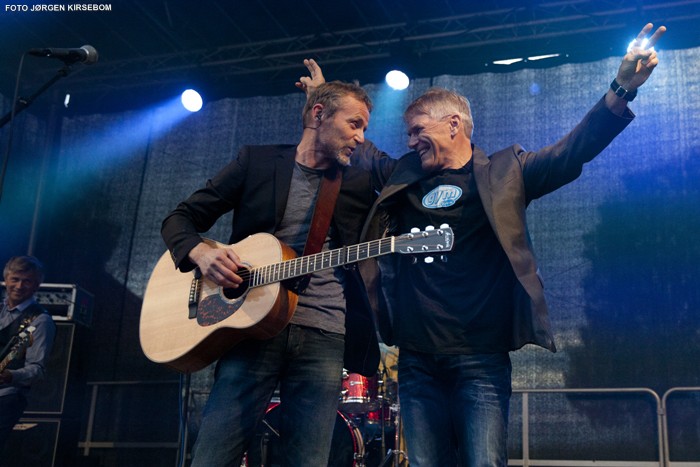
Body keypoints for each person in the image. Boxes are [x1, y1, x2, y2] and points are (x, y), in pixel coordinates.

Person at [303, 22, 666, 467]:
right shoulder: (404, 174)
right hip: (417, 360)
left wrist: (622, 88)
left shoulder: (505, 171)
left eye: (418, 130)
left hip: (480, 361)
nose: (412, 140)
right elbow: (363, 152)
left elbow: (574, 150)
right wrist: (321, 97)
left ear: (453, 123)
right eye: (409, 133)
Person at [161, 81, 390, 466]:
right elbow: (179, 218)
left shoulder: (359, 179)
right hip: (247, 326)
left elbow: (402, 170)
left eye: (364, 128)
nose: (360, 137)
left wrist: (329, 99)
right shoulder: (257, 161)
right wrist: (199, 252)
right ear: (318, 115)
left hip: (324, 333)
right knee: (213, 455)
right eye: (354, 124)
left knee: (308, 460)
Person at [0, 256, 56, 450]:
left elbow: (37, 369)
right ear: (6, 279)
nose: (19, 285)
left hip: (6, 397)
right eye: (15, 279)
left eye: (27, 281)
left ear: (36, 285)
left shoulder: (39, 320)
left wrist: (10, 375)